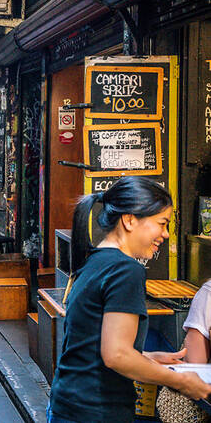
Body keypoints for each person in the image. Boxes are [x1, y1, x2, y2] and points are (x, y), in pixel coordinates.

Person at [48, 177, 211, 422]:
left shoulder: (96, 260)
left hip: (69, 404)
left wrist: (146, 357)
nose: (165, 234)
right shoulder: (125, 270)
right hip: (96, 411)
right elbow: (116, 355)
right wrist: (181, 381)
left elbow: (92, 346)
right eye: (161, 223)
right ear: (130, 220)